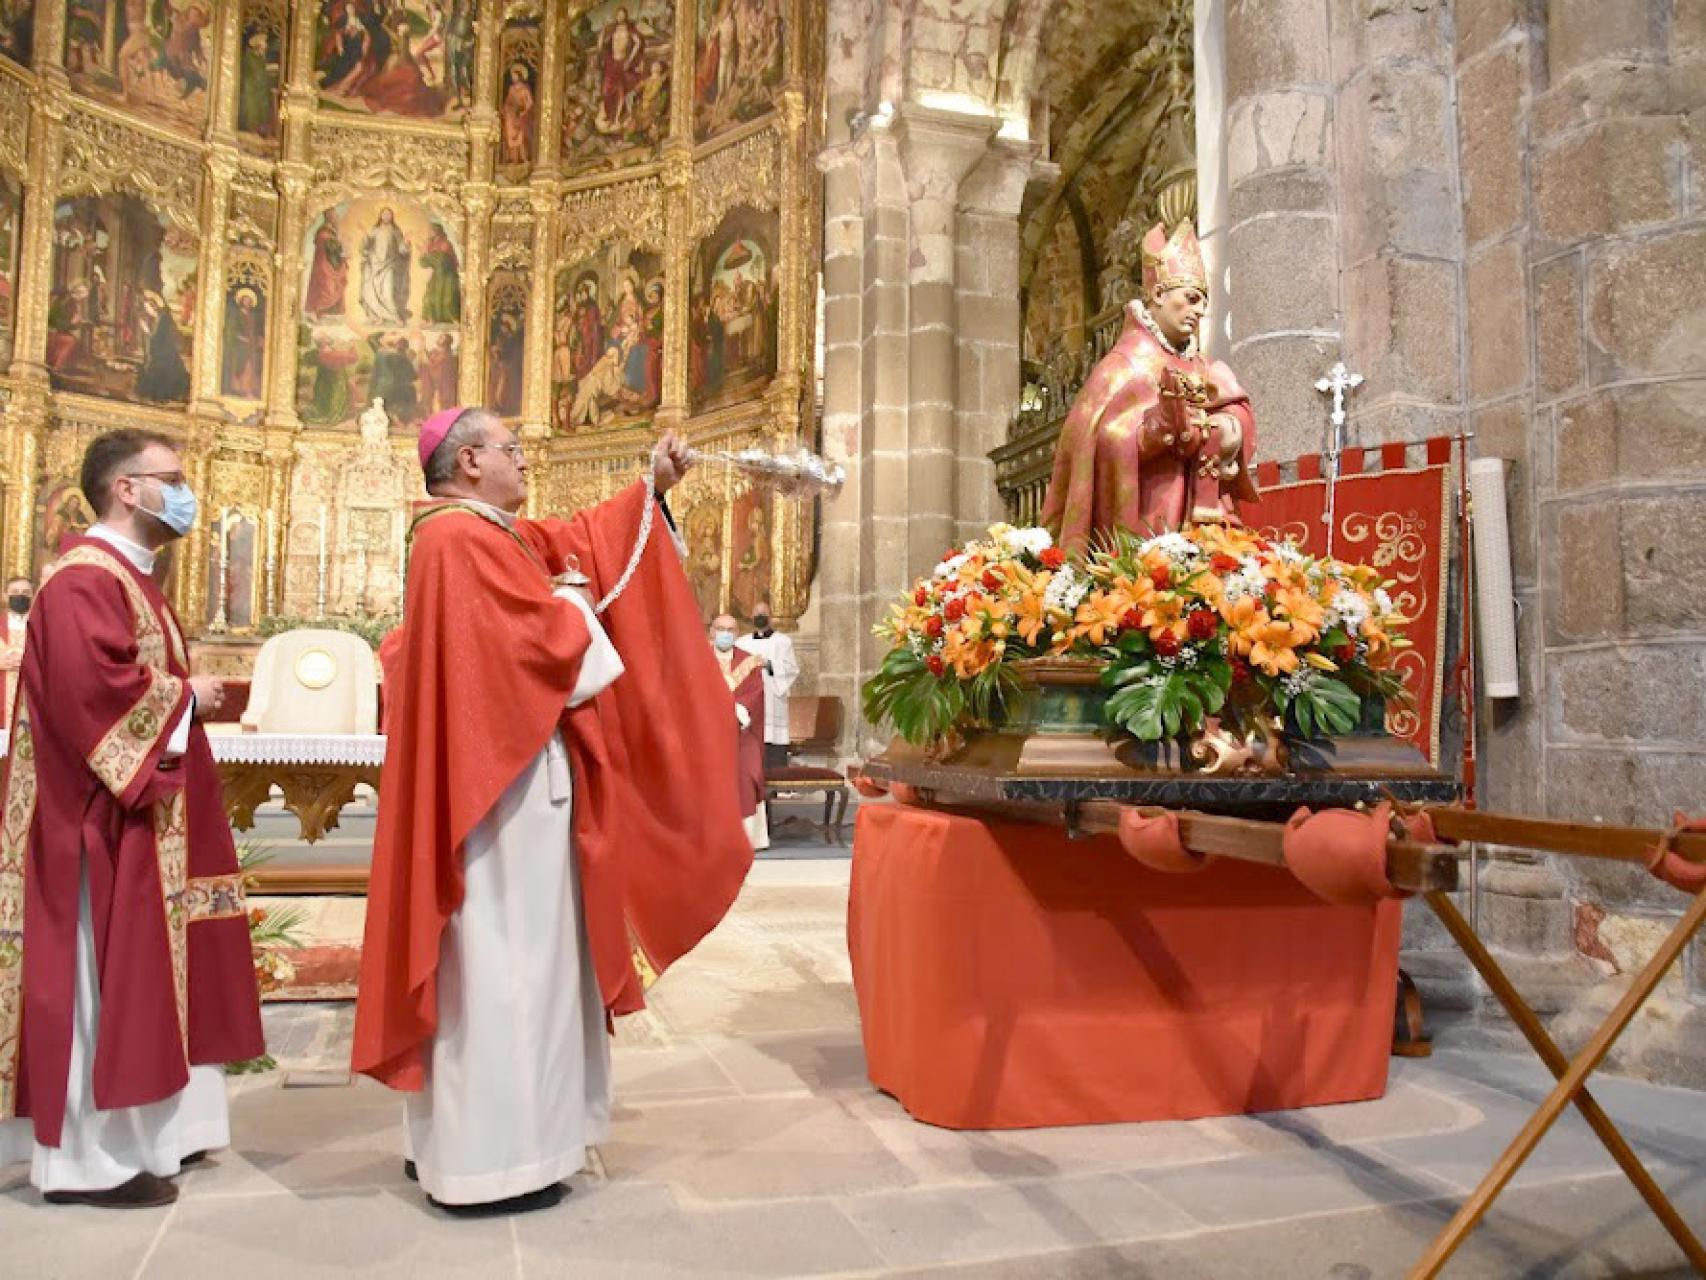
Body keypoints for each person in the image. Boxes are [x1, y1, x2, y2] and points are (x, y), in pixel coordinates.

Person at [353, 406, 753, 1216]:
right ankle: (497, 1162)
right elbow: (537, 648)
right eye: (511, 448)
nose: (524, 458)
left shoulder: (481, 532)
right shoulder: (458, 539)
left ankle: (457, 1142)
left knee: (506, 967)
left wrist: (652, 486)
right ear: (468, 461)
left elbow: (573, 540)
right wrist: (571, 606)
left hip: (508, 781)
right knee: (510, 967)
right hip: (501, 794)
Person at [0, 430, 263, 1208]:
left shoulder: (130, 576)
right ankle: (90, 1164)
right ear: (126, 488)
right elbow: (95, 695)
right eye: (172, 478)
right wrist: (189, 698)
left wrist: (181, 694)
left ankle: (162, 1135)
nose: (184, 493)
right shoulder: (83, 579)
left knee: (153, 971)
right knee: (98, 976)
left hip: (144, 816)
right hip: (95, 828)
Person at [1038, 219, 1258, 554]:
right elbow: (1095, 442)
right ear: (1157, 293)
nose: (1199, 311)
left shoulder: (1205, 367)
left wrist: (1226, 427)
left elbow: (1238, 412)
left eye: (1203, 302)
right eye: (1192, 298)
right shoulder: (1122, 366)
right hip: (1148, 525)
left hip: (1206, 528)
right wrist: (1155, 431)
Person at [711, 614, 768, 851]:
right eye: (721, 628)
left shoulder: (750, 662)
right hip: (707, 732)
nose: (725, 633)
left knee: (746, 771)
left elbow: (756, 693)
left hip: (741, 731)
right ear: (712, 631)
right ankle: (711, 836)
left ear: (736, 634)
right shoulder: (699, 658)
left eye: (731, 629)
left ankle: (746, 838)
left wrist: (734, 711)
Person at [739, 601, 799, 772]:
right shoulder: (742, 643)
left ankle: (777, 782)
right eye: (757, 614)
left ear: (770, 617)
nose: (760, 617)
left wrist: (769, 664)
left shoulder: (783, 641)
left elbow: (791, 668)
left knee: (773, 740)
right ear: (751, 616)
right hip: (751, 699)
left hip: (773, 697)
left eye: (763, 614)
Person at [1, 573, 31, 725]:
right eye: (15, 592)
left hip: (30, 699)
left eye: (25, 593)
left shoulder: (43, 627)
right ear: (5, 596)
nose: (20, 597)